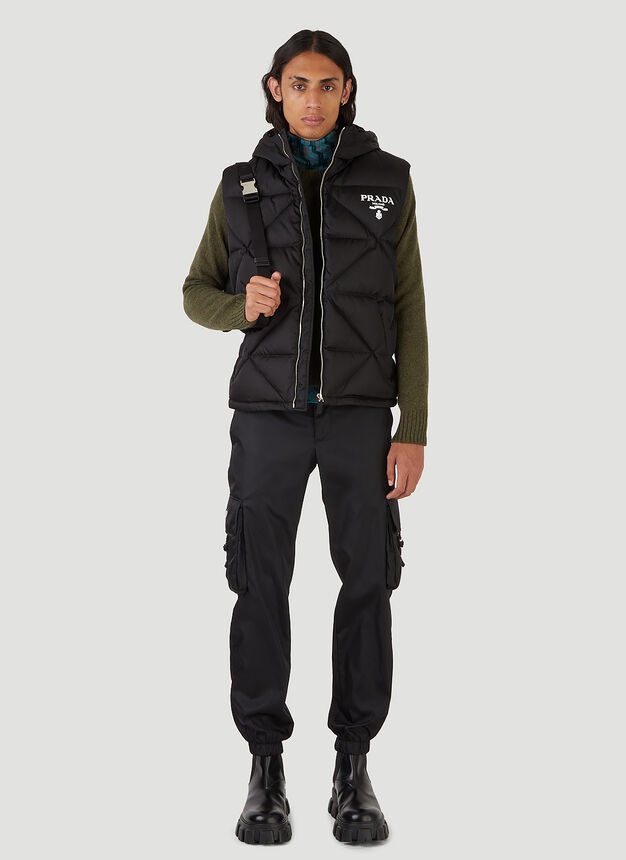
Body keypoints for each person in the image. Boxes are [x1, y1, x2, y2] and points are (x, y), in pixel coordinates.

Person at [182, 29, 428, 845]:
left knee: (368, 585)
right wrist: (238, 306)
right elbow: (194, 291)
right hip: (267, 419)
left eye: (327, 85)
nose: (313, 99)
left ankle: (354, 767)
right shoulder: (240, 187)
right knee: (260, 584)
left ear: (347, 90)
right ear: (275, 89)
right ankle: (266, 768)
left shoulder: (389, 182)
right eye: (299, 85)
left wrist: (414, 427)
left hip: (361, 418)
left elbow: (411, 308)